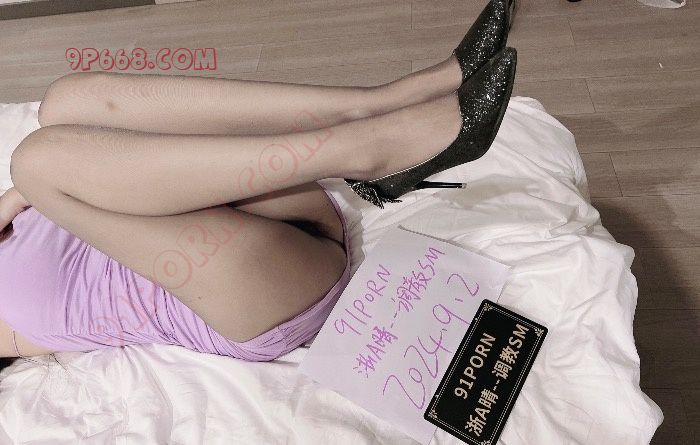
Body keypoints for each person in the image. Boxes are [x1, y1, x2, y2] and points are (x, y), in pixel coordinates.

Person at [0, 0, 515, 366]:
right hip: (246, 288)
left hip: (264, 204)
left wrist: (19, 198)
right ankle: (367, 151)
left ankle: (379, 104)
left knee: (63, 104)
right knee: (37, 163)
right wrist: (29, 189)